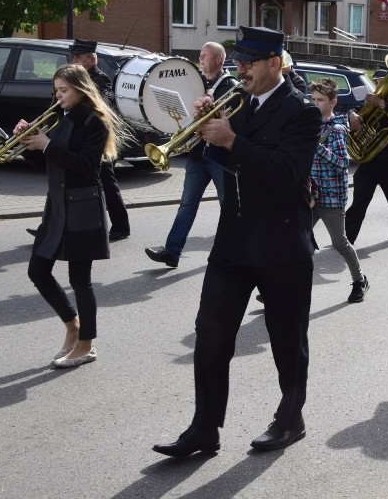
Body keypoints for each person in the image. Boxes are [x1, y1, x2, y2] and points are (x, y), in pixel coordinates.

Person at [153, 26, 321, 457]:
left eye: (249, 62)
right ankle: (204, 428)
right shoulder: (239, 103)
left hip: (282, 242)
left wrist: (231, 139)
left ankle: (290, 418)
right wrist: (207, 130)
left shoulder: (301, 111)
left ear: (274, 64)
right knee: (210, 334)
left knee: (287, 339)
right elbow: (218, 161)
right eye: (238, 61)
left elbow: (286, 171)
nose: (240, 69)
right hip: (233, 241)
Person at [16, 64, 129, 368]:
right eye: (56, 90)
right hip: (57, 206)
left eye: (63, 91)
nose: (58, 96)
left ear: (80, 89)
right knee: (37, 271)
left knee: (80, 280)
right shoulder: (57, 117)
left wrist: (48, 144)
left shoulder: (95, 122)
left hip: (83, 207)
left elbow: (88, 168)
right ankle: (72, 326)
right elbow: (44, 160)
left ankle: (86, 345)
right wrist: (27, 141)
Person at [26, 39, 131, 241]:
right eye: (73, 56)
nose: (73, 60)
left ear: (92, 59)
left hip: (93, 139)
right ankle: (48, 226)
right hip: (70, 137)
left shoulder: (100, 80)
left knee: (107, 184)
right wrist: (36, 126)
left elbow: (96, 108)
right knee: (59, 181)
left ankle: (121, 225)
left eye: (78, 57)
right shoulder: (67, 80)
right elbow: (56, 107)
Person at [145, 42, 236, 268]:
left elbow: (229, 121)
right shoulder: (194, 82)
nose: (201, 58)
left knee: (229, 206)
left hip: (218, 156)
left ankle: (235, 250)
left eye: (205, 55)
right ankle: (172, 252)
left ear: (218, 60)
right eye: (201, 54)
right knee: (187, 203)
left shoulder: (229, 85)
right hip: (197, 154)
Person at [309, 78, 369, 302]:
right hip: (310, 196)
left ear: (333, 102)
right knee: (297, 241)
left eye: (321, 100)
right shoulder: (311, 125)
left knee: (340, 243)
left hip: (332, 197)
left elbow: (343, 163)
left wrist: (317, 147)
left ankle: (359, 280)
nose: (315, 104)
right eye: (313, 99)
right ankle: (279, 289)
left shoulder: (337, 128)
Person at [344, 69, 388, 243]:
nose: (378, 84)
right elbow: (353, 108)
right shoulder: (370, 100)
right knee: (360, 198)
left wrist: (383, 103)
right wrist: (352, 114)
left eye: (381, 81)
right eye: (376, 81)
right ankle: (347, 237)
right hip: (370, 159)